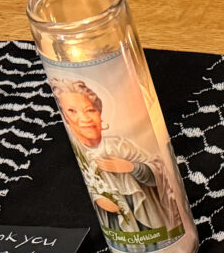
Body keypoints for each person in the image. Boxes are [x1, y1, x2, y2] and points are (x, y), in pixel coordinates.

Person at [53, 79, 187, 244]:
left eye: (89, 110)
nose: (84, 118)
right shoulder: (81, 152)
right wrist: (99, 198)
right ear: (64, 116)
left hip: (150, 217)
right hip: (118, 226)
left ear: (99, 113)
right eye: (72, 111)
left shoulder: (120, 146)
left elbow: (159, 171)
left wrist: (132, 167)